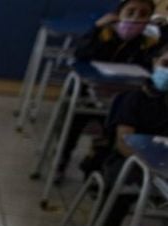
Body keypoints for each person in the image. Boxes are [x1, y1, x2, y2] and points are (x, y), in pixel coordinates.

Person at [67, 44, 168, 226]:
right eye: (166, 64)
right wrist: (151, 167)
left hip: (164, 172)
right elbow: (124, 144)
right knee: (122, 192)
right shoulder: (135, 99)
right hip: (131, 164)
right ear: (154, 63)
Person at [54, 0, 167, 182]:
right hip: (89, 92)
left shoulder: (148, 41)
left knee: (113, 129)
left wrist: (161, 28)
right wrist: (97, 29)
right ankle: (61, 159)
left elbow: (151, 66)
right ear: (118, 13)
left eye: (143, 14)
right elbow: (81, 54)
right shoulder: (105, 33)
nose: (135, 18)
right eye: (130, 12)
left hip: (123, 97)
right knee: (76, 121)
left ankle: (94, 167)